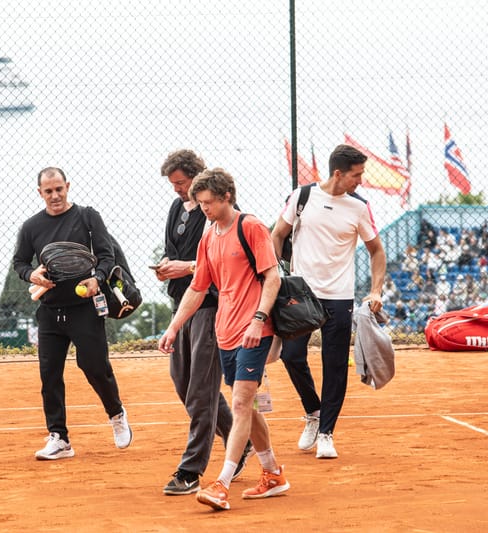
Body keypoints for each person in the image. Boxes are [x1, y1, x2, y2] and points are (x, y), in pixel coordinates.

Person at [158, 168, 288, 511]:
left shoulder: (252, 227)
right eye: (200, 204)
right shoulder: (209, 237)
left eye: (209, 203)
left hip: (254, 331)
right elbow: (198, 288)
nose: (204, 209)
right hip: (226, 332)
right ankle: (273, 472)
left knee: (243, 403)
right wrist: (173, 327)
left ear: (227, 196)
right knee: (250, 405)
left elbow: (272, 277)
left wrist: (259, 320)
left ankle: (221, 483)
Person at [270, 144, 386, 459]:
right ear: (339, 173)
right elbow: (277, 234)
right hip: (301, 294)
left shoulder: (359, 207)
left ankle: (326, 432)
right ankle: (313, 411)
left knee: (334, 365)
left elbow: (377, 251)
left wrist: (376, 290)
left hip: (339, 297)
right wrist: (279, 273)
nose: (360, 180)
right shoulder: (302, 197)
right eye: (356, 175)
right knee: (292, 356)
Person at [13, 167, 132, 460]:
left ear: (67, 186)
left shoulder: (88, 217)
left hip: (85, 309)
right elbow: (19, 262)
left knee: (94, 367)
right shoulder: (31, 227)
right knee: (49, 374)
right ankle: (59, 438)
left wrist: (97, 279)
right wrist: (32, 275)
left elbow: (107, 255)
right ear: (39, 192)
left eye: (59, 189)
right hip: (50, 311)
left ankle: (116, 413)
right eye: (48, 191)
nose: (55, 196)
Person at [155, 150, 250, 496]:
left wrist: (185, 266)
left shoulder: (214, 215)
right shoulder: (176, 209)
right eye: (174, 185)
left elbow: (215, 263)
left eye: (181, 183)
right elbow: (176, 252)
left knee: (201, 391)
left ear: (197, 178)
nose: (177, 190)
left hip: (211, 307)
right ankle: (243, 440)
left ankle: (191, 470)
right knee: (184, 382)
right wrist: (169, 266)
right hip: (183, 303)